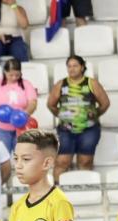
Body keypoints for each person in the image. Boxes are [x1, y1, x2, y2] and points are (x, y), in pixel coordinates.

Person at [47, 55, 110, 183]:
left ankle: (84, 193)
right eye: (69, 66)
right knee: (61, 162)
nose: (72, 69)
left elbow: (105, 104)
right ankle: (57, 193)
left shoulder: (92, 83)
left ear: (82, 67)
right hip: (65, 130)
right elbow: (51, 105)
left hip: (89, 130)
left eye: (75, 65)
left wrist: (94, 115)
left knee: (85, 161)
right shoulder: (61, 84)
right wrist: (62, 115)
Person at [0, 59, 38, 153]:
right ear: (5, 72)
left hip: (22, 128)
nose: (14, 78)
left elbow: (33, 103)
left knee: (25, 158)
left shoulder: (26, 84)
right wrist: (1, 111)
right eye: (11, 75)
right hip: (0, 129)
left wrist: (25, 113)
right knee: (0, 159)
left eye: (17, 75)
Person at [0, 0, 29, 65]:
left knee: (20, 50)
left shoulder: (20, 9)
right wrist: (0, 37)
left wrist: (14, 7)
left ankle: (23, 73)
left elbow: (24, 25)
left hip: (15, 39)